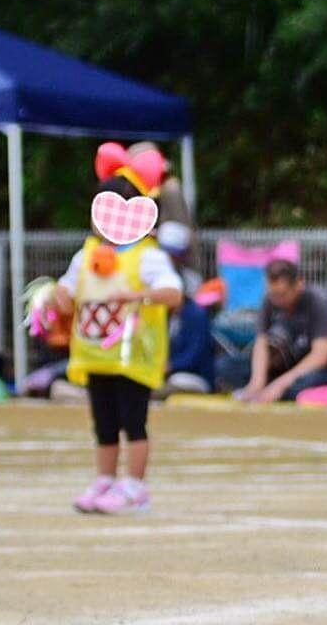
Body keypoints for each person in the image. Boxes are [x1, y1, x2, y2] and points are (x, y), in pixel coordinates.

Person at [56, 170, 182, 514]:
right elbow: (67, 289)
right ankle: (105, 479)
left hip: (132, 354)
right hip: (95, 353)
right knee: (104, 421)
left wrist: (139, 295)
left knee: (133, 420)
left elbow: (174, 294)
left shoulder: (148, 256)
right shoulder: (86, 256)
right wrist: (56, 298)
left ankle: (136, 487)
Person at [229, 259, 327, 402]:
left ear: (298, 285)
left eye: (282, 295)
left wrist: (280, 385)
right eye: (273, 295)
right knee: (227, 366)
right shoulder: (269, 300)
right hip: (282, 369)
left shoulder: (318, 301)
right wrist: (256, 383)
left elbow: (321, 356)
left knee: (304, 385)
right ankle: (268, 390)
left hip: (317, 371)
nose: (277, 301)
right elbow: (261, 344)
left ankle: (279, 391)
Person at [157, 222, 214, 395]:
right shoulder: (163, 314)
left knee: (177, 380)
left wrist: (170, 366)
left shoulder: (195, 315)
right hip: (164, 373)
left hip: (192, 375)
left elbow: (195, 355)